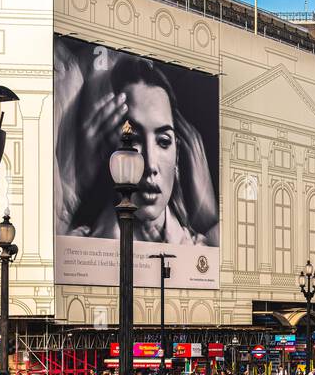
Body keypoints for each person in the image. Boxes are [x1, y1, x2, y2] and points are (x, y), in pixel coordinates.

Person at [57, 47, 219, 246]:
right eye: (132, 140)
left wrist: (209, 220)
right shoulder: (76, 244)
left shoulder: (203, 249)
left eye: (163, 142)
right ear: (107, 153)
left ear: (177, 156)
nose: (150, 165)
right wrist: (74, 183)